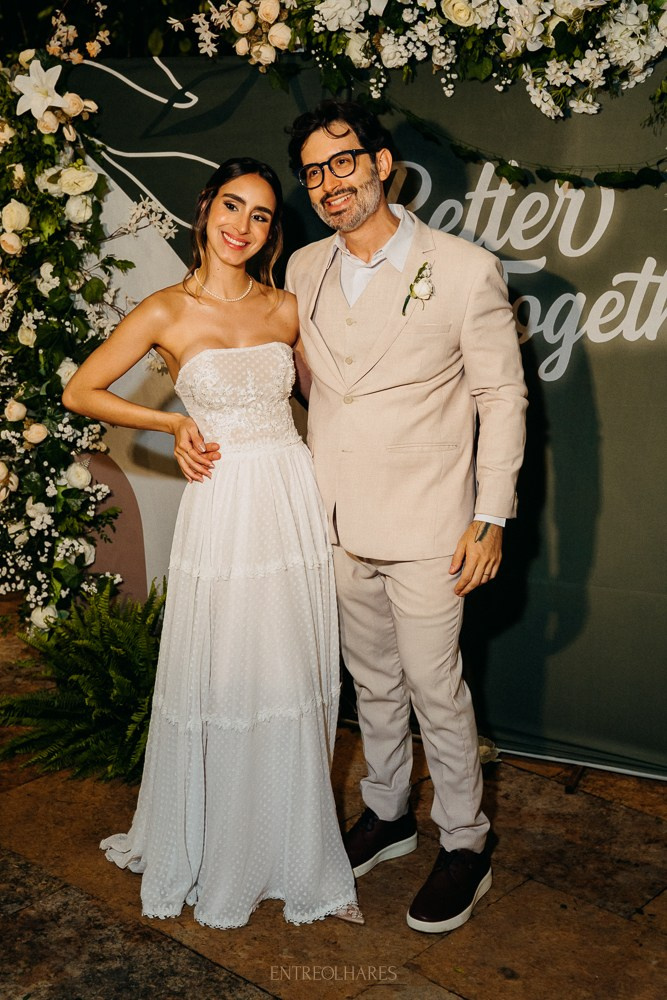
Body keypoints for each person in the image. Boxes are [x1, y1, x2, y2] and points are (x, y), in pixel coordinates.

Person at [63, 157, 362, 929]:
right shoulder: (165, 310)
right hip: (224, 505)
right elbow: (80, 390)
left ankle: (287, 843)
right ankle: (218, 841)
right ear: (205, 209)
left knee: (289, 671)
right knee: (226, 674)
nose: (242, 226)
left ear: (271, 230)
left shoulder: (286, 306)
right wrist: (171, 423)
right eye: (232, 206)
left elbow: (332, 399)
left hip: (289, 498)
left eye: (260, 215)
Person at [284, 101, 528, 934]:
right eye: (312, 172)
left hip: (432, 522)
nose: (328, 183)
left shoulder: (462, 268)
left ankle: (464, 841)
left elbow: (501, 397)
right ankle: (387, 812)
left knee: (434, 687)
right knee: (373, 683)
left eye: (342, 162)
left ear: (382, 164)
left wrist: (489, 516)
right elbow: (311, 385)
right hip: (335, 518)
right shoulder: (303, 268)